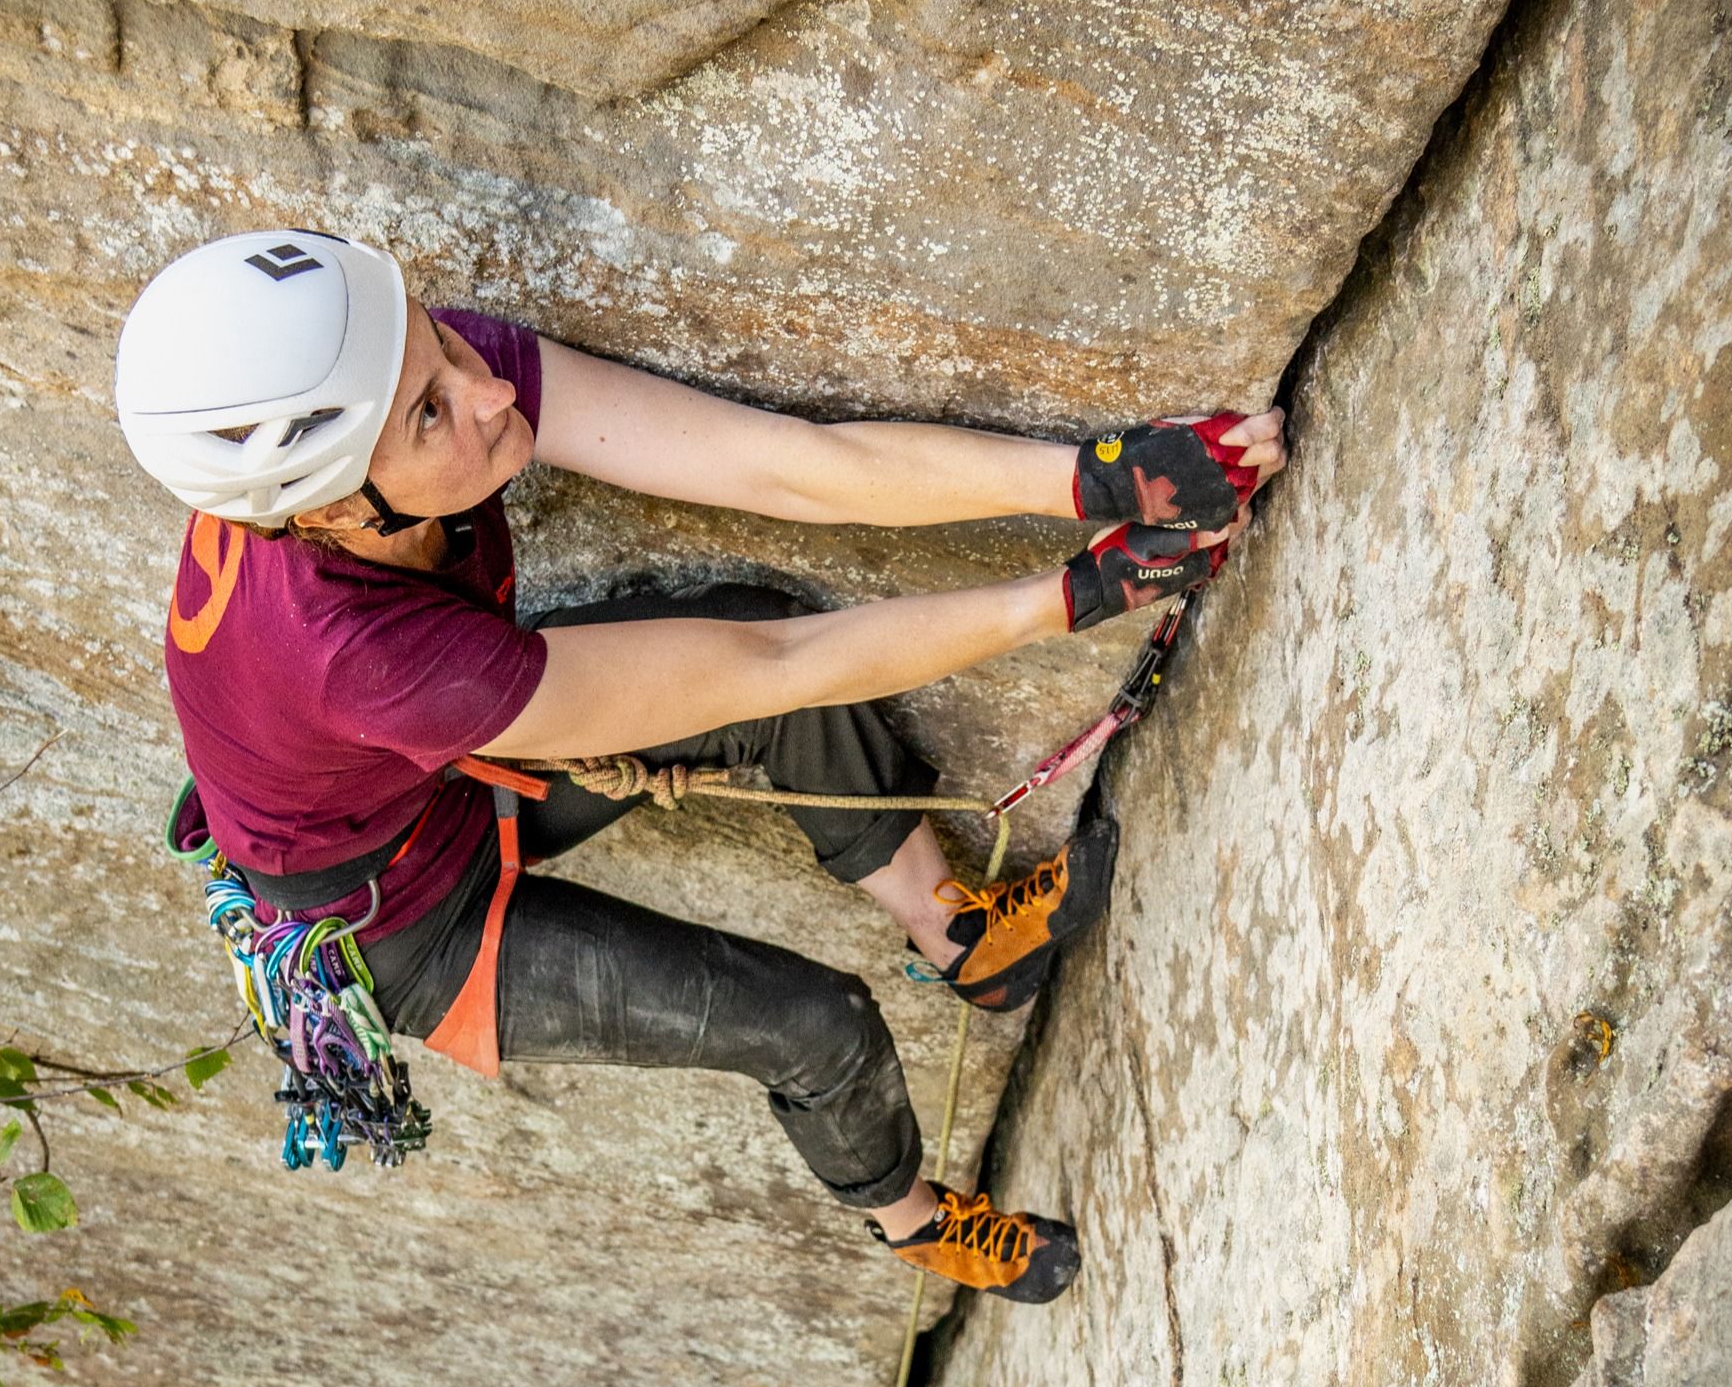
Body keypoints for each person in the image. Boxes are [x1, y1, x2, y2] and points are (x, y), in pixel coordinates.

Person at [115, 230, 1284, 1302]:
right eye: (432, 413)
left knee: (751, 626)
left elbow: (786, 465)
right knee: (816, 1025)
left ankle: (964, 938)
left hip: (425, 776)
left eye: (441, 344)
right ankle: (914, 1222)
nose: (486, 389)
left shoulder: (384, 391)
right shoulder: (361, 655)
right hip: (398, 930)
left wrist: (1100, 475)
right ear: (324, 514)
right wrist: (1071, 594)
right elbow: (776, 670)